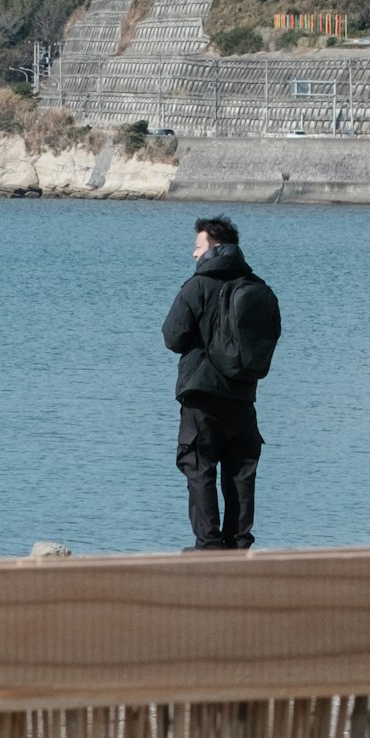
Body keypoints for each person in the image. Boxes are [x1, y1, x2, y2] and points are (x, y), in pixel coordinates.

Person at [161, 215, 280, 551]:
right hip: (242, 394)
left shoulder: (197, 286)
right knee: (241, 471)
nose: (193, 254)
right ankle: (240, 544)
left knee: (199, 466)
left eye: (197, 247)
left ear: (213, 246)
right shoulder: (256, 285)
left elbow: (172, 337)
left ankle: (209, 546)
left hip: (201, 393)